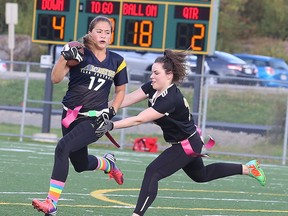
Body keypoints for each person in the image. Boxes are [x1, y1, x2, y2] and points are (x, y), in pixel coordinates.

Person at [95, 49, 266, 216]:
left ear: (169, 75)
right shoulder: (154, 87)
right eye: (152, 73)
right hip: (190, 141)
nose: (151, 76)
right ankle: (248, 168)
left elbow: (140, 119)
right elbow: (129, 98)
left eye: (156, 73)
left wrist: (111, 125)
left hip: (187, 145)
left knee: (152, 172)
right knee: (202, 175)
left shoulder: (170, 99)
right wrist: (102, 108)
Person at [32, 16, 128, 215]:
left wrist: (112, 111)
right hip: (70, 115)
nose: (103, 35)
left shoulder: (117, 60)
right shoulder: (80, 53)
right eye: (99, 31)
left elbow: (120, 91)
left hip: (95, 119)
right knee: (80, 164)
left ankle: (52, 203)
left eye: (107, 32)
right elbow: (55, 78)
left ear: (112, 36)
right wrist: (63, 57)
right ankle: (108, 164)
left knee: (63, 147)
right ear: (91, 33)